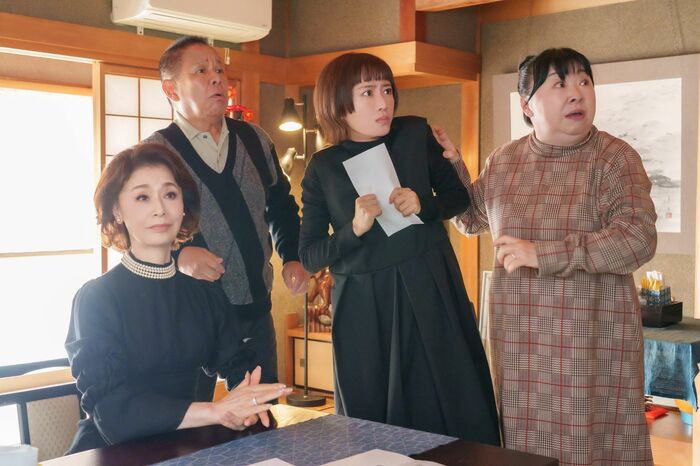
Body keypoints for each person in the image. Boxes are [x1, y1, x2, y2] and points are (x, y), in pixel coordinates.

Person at [442, 48, 656, 465]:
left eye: (584, 81)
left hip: (591, 344)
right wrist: (450, 167)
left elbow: (638, 238)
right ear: (527, 105)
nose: (577, 93)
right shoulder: (504, 160)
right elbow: (470, 219)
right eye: (560, 84)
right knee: (524, 452)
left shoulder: (614, 158)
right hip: (520, 345)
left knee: (594, 450)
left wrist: (543, 254)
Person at [298, 52, 500, 444]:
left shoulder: (414, 134)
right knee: (374, 414)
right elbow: (310, 255)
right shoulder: (322, 166)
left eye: (387, 90)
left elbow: (459, 198)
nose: (383, 102)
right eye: (368, 92)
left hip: (429, 281)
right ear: (339, 103)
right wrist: (354, 229)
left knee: (451, 395)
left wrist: (424, 205)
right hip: (364, 302)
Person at [65, 143, 292, 454]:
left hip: (185, 448)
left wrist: (248, 403)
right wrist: (215, 410)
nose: (160, 208)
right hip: (109, 453)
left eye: (170, 194)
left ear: (184, 205)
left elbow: (239, 365)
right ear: (117, 210)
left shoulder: (204, 294)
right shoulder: (96, 299)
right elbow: (114, 414)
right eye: (142, 197)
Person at [143, 36, 308, 392]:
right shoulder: (154, 153)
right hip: (188, 315)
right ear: (171, 90)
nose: (217, 77)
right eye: (201, 71)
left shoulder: (256, 140)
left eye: (219, 69)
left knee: (260, 413)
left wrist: (292, 256)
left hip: (255, 311)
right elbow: (135, 229)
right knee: (190, 418)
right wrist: (179, 255)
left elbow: (280, 204)